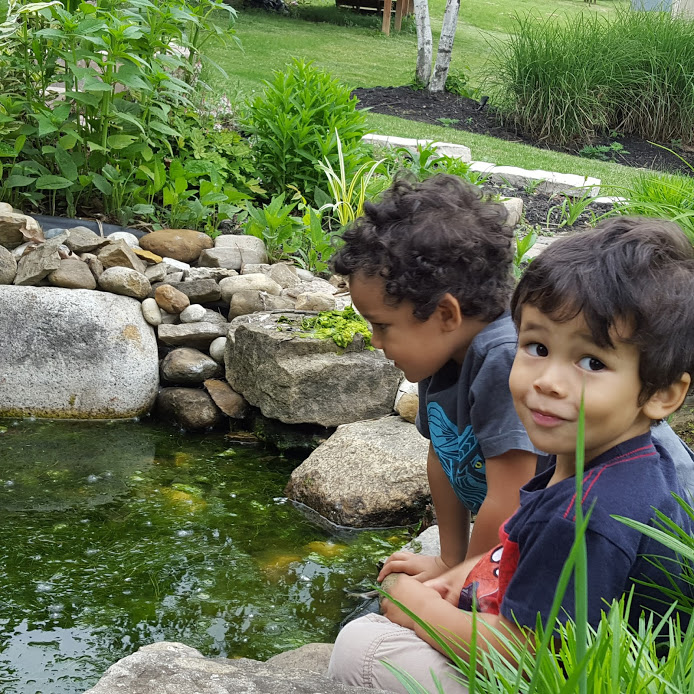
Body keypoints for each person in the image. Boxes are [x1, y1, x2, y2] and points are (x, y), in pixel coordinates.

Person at [328, 216, 694, 693]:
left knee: (363, 647)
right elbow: (518, 550)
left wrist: (419, 608)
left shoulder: (584, 516)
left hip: (565, 678)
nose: (547, 380)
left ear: (662, 395)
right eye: (537, 346)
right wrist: (463, 572)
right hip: (572, 651)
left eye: (592, 363)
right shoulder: (609, 462)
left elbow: (523, 656)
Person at [331, 174, 540, 587]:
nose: (374, 341)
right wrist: (449, 559)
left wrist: (466, 584)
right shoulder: (441, 352)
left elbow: (508, 498)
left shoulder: (504, 358)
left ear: (445, 314)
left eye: (382, 326)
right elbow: (443, 457)